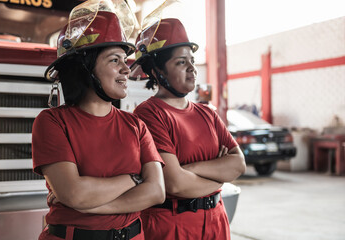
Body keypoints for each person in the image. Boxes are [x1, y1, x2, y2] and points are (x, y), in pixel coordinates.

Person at [32, 1, 165, 240]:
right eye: (115, 60)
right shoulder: (51, 122)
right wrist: (134, 179)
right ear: (85, 68)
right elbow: (75, 194)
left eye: (125, 60)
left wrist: (95, 206)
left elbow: (156, 191)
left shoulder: (136, 126)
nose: (126, 69)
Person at [130, 17, 246, 240]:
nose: (192, 68)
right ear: (155, 71)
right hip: (172, 226)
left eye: (192, 60)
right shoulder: (149, 114)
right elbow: (174, 183)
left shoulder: (208, 114)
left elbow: (238, 164)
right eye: (181, 62)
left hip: (216, 221)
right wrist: (219, 176)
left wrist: (189, 169)